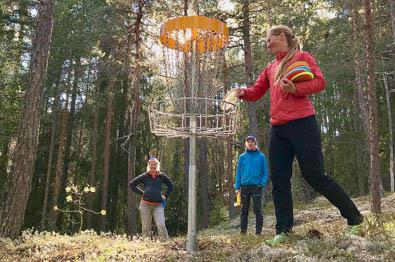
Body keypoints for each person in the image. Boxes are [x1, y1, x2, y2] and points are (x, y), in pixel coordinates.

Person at [236, 25, 363, 245]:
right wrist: (241, 92)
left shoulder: (302, 57)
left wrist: (296, 90)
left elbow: (320, 82)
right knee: (279, 180)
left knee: (315, 175)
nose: (267, 44)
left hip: (303, 124)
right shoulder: (270, 67)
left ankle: (355, 219)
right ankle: (284, 230)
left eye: (269, 39)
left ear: (282, 36)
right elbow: (256, 92)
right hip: (278, 129)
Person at [129, 157, 174, 239]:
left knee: (161, 225)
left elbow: (171, 186)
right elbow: (132, 184)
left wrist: (165, 196)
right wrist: (142, 193)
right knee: (146, 227)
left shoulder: (161, 176)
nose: (153, 166)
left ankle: (165, 244)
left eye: (155, 164)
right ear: (148, 165)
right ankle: (147, 244)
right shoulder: (144, 176)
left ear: (157, 165)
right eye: (151, 164)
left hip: (158, 205)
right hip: (145, 205)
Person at [234, 135, 269, 235]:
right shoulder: (242, 157)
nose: (250, 143)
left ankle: (258, 232)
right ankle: (243, 232)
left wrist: (261, 183)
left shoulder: (261, 156)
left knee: (257, 210)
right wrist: (237, 187)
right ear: (246, 144)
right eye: (248, 141)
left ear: (255, 143)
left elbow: (265, 172)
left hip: (256, 187)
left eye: (252, 141)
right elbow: (238, 173)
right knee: (244, 210)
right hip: (244, 187)